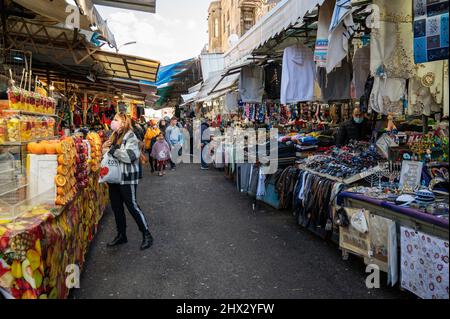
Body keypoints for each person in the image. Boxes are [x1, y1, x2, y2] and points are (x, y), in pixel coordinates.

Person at [102, 112, 153, 250]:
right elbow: (108, 154)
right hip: (114, 177)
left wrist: (112, 150)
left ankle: (146, 234)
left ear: (124, 122)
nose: (113, 121)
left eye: (116, 119)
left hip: (127, 177)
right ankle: (121, 235)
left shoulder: (130, 135)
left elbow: (130, 156)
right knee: (117, 207)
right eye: (113, 119)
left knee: (132, 206)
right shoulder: (113, 136)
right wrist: (104, 149)